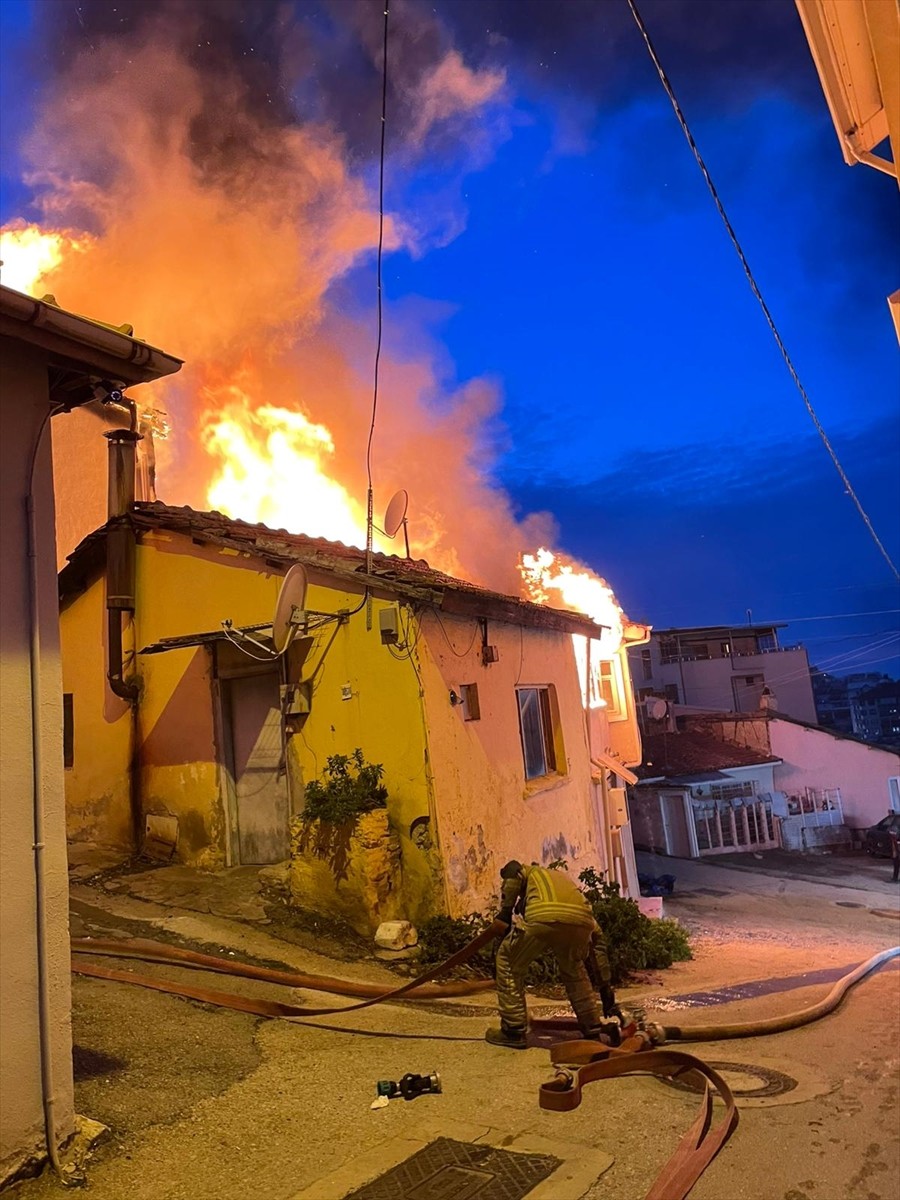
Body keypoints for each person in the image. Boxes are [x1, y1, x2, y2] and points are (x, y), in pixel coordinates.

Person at [485, 860, 619, 1049]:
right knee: (575, 971)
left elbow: (512, 873)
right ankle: (592, 1027)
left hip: (543, 916)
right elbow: (598, 945)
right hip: (581, 923)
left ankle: (513, 1031)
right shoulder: (563, 884)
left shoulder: (526, 872)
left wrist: (506, 912)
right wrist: (606, 988)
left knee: (508, 961)